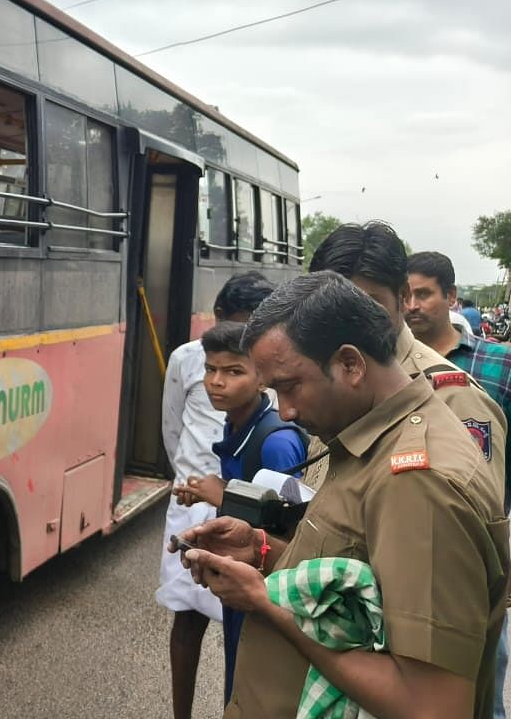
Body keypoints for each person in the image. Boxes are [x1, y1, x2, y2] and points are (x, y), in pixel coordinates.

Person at [177, 272, 509, 718]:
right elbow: (364, 582)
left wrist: (267, 604)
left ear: (351, 364)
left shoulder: (417, 479)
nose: (287, 410)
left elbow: (431, 704)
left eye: (290, 387)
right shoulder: (368, 434)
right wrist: (260, 551)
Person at [308, 221, 505, 494]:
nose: (344, 322)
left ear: (402, 295)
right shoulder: (327, 384)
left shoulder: (454, 397)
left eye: (364, 304)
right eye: (329, 306)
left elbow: (471, 522)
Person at [156, 271, 274, 719]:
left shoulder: (270, 359)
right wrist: (188, 480)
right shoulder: (186, 358)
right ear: (219, 318)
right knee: (187, 617)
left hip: (243, 503)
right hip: (191, 503)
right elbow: (172, 428)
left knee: (244, 623)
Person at [171, 321, 307, 704]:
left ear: (262, 377)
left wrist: (225, 495)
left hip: (267, 594)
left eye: (233, 371)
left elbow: (290, 532)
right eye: (211, 369)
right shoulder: (238, 423)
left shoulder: (276, 442)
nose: (216, 382)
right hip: (242, 582)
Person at [406, 250, 511, 718]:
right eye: (405, 294)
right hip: (411, 542)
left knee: (487, 675)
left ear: (450, 297)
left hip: (483, 550)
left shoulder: (497, 363)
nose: (413, 305)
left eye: (424, 294)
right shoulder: (393, 367)